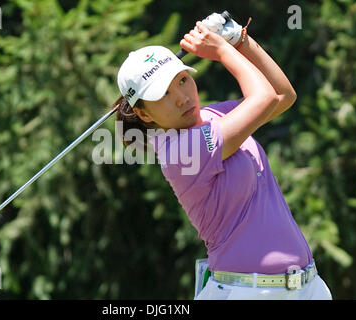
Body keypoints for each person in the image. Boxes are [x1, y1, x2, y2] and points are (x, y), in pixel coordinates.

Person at [115, 15, 333, 300]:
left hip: (308, 288)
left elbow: (282, 95)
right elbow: (264, 98)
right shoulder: (179, 153)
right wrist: (221, 49)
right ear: (144, 114)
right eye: (164, 94)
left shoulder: (215, 115)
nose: (182, 97)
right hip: (244, 292)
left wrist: (240, 40)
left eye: (182, 80)